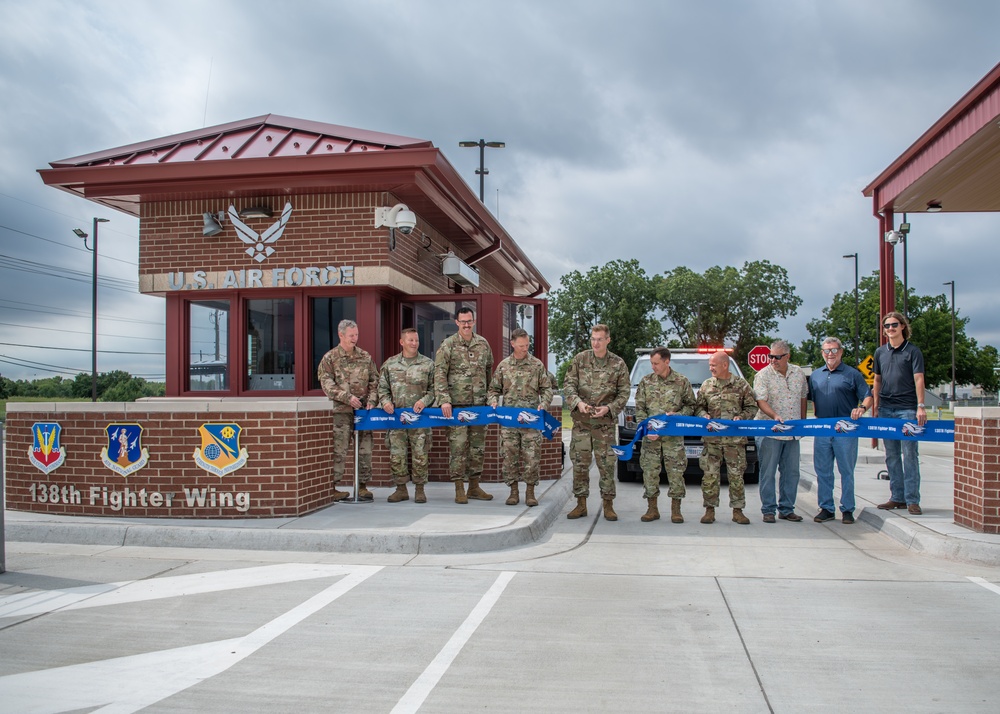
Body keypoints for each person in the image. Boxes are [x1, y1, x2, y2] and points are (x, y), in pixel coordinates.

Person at [563, 324, 630, 521]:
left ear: (608, 340)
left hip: (604, 426)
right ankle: (580, 504)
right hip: (582, 424)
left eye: (600, 339)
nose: (595, 343)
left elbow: (624, 392)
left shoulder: (618, 364)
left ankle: (608, 505)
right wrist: (578, 403)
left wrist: (609, 408)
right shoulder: (580, 360)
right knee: (580, 465)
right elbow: (569, 385)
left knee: (607, 465)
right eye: (593, 339)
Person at [808, 337, 872, 524]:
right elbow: (809, 399)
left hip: (846, 430)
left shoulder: (852, 374)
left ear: (841, 352)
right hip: (823, 429)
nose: (830, 354)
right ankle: (826, 508)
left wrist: (862, 408)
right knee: (823, 471)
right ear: (822, 353)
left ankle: (847, 509)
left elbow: (868, 396)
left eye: (834, 350)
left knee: (846, 471)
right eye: (826, 351)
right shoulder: (815, 375)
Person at [434, 307, 495, 504]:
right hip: (456, 407)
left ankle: (474, 486)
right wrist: (444, 399)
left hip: (478, 407)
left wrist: (489, 396)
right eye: (463, 322)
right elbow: (439, 373)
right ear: (457, 322)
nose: (467, 325)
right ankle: (459, 487)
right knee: (458, 447)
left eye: (469, 321)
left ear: (474, 321)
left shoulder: (483, 344)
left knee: (477, 448)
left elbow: (488, 371)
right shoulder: (448, 345)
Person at [487, 328, 554, 507]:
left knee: (532, 457)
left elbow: (547, 389)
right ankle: (513, 492)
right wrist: (493, 401)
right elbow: (493, 389)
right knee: (509, 456)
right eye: (522, 345)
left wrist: (544, 404)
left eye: (527, 345)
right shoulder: (503, 366)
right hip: (510, 422)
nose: (525, 348)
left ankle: (530, 492)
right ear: (513, 344)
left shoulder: (537, 365)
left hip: (531, 420)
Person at [317, 319, 378, 501]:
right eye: (351, 335)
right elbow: (327, 384)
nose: (355, 338)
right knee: (339, 450)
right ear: (341, 335)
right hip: (341, 412)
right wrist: (347, 397)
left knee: (365, 450)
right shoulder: (330, 358)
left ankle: (362, 486)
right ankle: (334, 487)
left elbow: (375, 381)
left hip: (363, 413)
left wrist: (372, 401)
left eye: (356, 335)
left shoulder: (365, 357)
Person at [873, 311, 927, 515]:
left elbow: (919, 379)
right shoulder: (880, 352)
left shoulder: (913, 352)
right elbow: (877, 380)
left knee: (909, 454)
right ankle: (897, 497)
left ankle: (912, 499)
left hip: (907, 409)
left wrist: (921, 406)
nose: (890, 329)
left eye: (894, 324)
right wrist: (876, 406)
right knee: (892, 455)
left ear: (902, 326)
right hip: (886, 408)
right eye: (887, 326)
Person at [634, 347, 697, 523]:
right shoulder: (646, 382)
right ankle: (652, 509)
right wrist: (647, 429)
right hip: (651, 438)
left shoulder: (681, 381)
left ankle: (676, 510)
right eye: (651, 363)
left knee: (676, 473)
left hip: (673, 438)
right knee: (650, 472)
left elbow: (691, 406)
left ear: (666, 362)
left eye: (656, 363)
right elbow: (639, 409)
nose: (653, 367)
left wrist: (678, 415)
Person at [695, 351, 757, 525]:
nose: (711, 368)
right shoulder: (706, 385)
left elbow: (752, 407)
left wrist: (742, 417)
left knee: (736, 476)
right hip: (712, 441)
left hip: (734, 442)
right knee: (710, 476)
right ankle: (709, 510)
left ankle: (738, 511)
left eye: (714, 365)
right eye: (710, 365)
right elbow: (698, 407)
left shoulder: (741, 385)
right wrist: (704, 415)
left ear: (725, 365)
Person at [753, 339, 808, 523]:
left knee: (791, 472)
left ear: (787, 356)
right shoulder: (763, 375)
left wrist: (802, 422)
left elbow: (803, 397)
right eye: (771, 356)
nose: (773, 360)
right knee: (768, 472)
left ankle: (787, 508)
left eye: (777, 357)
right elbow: (761, 400)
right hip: (770, 431)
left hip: (792, 432)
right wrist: (775, 415)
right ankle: (768, 509)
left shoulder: (798, 373)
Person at [378, 328, 435, 504]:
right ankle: (401, 489)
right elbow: (382, 388)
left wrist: (425, 401)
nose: (414, 343)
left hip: (419, 419)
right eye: (410, 340)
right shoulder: (390, 364)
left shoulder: (427, 364)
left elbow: (436, 389)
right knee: (397, 455)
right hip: (397, 419)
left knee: (420, 455)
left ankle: (419, 489)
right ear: (402, 342)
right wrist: (386, 402)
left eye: (416, 340)